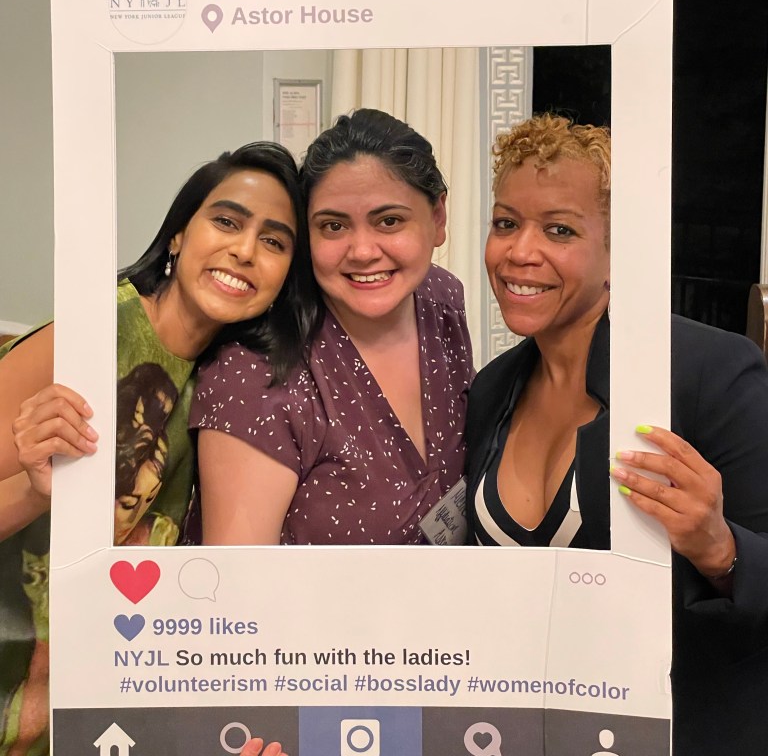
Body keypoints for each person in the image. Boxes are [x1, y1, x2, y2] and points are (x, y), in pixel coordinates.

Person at [0, 140, 317, 756]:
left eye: (275, 241)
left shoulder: (226, 382)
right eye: (226, 221)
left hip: (81, 713)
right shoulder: (91, 336)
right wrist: (39, 495)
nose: (245, 250)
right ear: (177, 235)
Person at [465, 113, 768, 756]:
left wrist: (720, 549)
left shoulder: (709, 373)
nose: (520, 251)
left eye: (560, 230)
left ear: (617, 249)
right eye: (506, 223)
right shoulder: (491, 391)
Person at [191, 109, 474, 545]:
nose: (362, 251)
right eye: (334, 226)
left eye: (389, 221)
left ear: (438, 218)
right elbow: (237, 581)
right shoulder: (256, 379)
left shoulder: (441, 303)